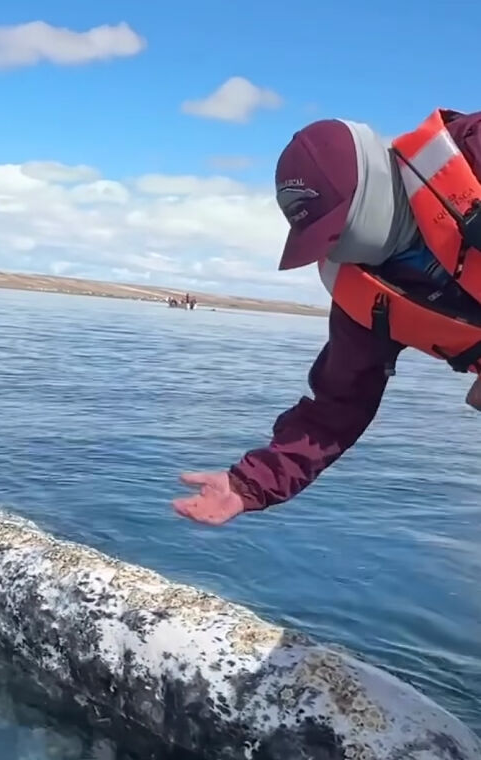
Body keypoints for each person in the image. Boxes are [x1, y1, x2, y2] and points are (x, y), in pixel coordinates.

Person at [172, 107, 481, 526]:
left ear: (372, 191)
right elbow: (336, 407)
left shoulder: (474, 148)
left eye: (339, 230)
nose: (335, 251)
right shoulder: (364, 292)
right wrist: (247, 485)